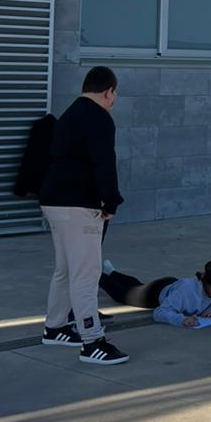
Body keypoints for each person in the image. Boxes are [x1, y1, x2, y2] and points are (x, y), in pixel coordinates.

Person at [38, 66, 129, 366]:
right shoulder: (99, 117)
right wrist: (111, 201)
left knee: (65, 269)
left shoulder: (69, 115)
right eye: (115, 93)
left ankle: (55, 328)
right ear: (109, 91)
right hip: (79, 205)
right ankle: (92, 342)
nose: (114, 99)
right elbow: (104, 163)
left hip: (54, 201)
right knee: (86, 274)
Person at [99, 257, 211, 327]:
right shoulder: (188, 291)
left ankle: (112, 272)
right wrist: (181, 319)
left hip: (173, 285)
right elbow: (160, 312)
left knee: (136, 285)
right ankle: (96, 275)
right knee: (122, 293)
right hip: (156, 293)